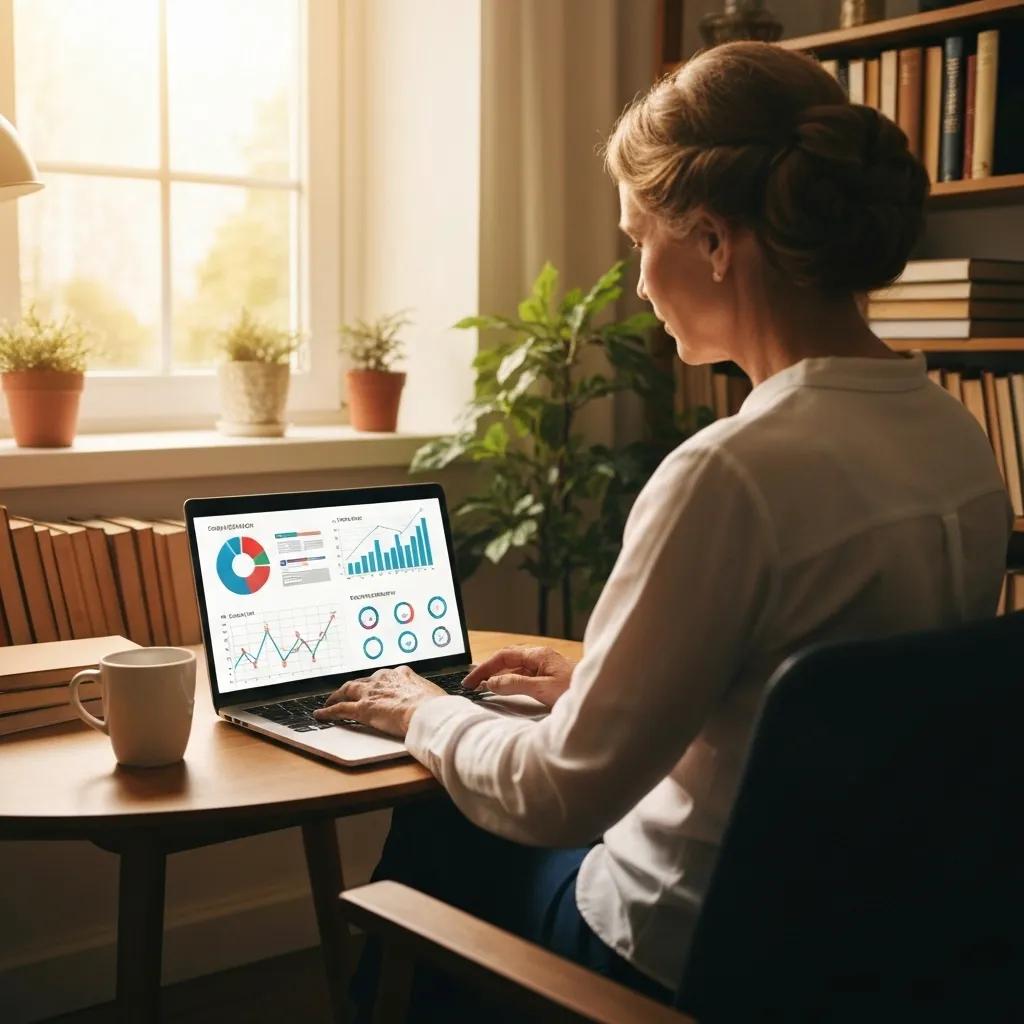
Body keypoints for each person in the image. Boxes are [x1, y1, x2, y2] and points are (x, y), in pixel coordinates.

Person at [315, 40, 1011, 1016]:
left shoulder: (730, 473)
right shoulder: (956, 439)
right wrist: (603, 681)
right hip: (872, 946)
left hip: (680, 957)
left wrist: (414, 707)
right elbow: (833, 708)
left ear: (718, 242)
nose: (638, 281)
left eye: (640, 237)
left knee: (439, 828)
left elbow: (561, 793)